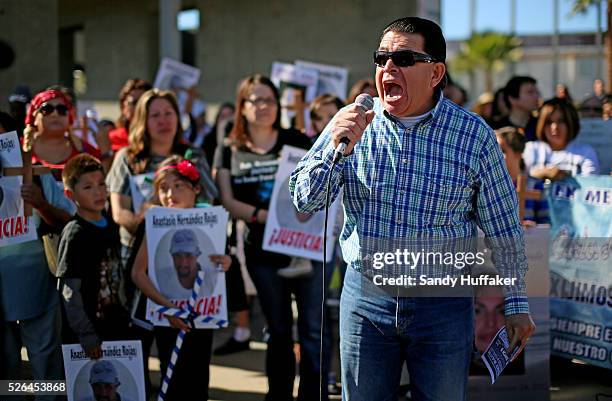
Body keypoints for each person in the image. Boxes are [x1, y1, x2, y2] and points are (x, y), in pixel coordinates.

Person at [290, 17, 535, 401]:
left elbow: (503, 228)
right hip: (366, 302)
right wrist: (337, 150)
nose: (388, 67)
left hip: (443, 305)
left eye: (403, 58)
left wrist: (516, 302)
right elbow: (305, 201)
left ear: (436, 72)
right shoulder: (352, 123)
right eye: (382, 57)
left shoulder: (474, 136)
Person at [213, 74, 327, 401]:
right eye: (254, 100)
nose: (262, 106)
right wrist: (264, 217)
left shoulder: (296, 139)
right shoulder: (229, 148)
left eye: (269, 100)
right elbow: (227, 199)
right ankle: (278, 395)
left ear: (278, 105)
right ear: (242, 107)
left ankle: (312, 395)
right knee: (277, 331)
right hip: (261, 253)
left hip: (305, 248)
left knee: (311, 331)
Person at [131, 156, 231, 401]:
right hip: (168, 319)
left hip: (201, 316)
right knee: (172, 378)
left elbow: (219, 265)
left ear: (196, 189)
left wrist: (227, 263)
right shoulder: (154, 225)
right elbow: (138, 273)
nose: (170, 194)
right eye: (163, 188)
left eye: (178, 186)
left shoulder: (212, 221)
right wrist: (167, 307)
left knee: (198, 381)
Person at [1, 169, 75, 400]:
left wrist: (41, 204)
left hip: (38, 286)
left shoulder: (36, 177)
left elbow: (71, 220)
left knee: (47, 365)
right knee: (6, 370)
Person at [57, 154, 130, 359]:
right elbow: (70, 291)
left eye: (101, 184)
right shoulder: (75, 234)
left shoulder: (111, 224)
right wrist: (86, 334)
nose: (98, 192)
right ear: (70, 195)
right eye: (88, 187)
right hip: (88, 336)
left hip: (116, 327)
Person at [24, 89, 101, 181]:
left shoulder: (87, 152)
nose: (55, 114)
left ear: (69, 118)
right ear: (34, 118)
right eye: (47, 109)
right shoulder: (17, 150)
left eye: (62, 109)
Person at [524, 98, 600, 179]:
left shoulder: (586, 152)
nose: (555, 127)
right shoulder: (531, 149)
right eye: (549, 122)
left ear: (571, 123)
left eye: (561, 121)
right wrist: (543, 173)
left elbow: (590, 186)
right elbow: (519, 180)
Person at [495, 126, 549, 224]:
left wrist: (533, 228)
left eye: (502, 151)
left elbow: (546, 224)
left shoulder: (536, 185)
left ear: (518, 153)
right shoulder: (488, 187)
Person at [156, 228, 219, 298]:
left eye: (188, 255)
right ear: (172, 256)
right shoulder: (161, 279)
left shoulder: (213, 278)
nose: (183, 262)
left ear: (197, 255)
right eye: (177, 255)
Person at [108, 79, 152, 154]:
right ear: (123, 107)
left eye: (144, 103)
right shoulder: (111, 139)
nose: (140, 108)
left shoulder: (161, 137)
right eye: (135, 103)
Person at [492, 76, 540, 141]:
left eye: (537, 92)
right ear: (512, 98)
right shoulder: (497, 130)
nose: (536, 96)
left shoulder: (541, 127)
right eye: (530, 92)